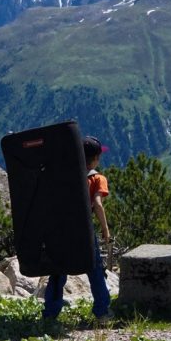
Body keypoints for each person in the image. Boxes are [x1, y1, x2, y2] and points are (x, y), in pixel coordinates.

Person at [42, 135, 113, 320]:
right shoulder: (98, 178)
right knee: (95, 270)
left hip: (61, 230)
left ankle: (50, 313)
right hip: (84, 232)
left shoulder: (64, 176)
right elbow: (97, 204)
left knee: (58, 272)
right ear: (96, 158)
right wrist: (105, 229)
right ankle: (102, 311)